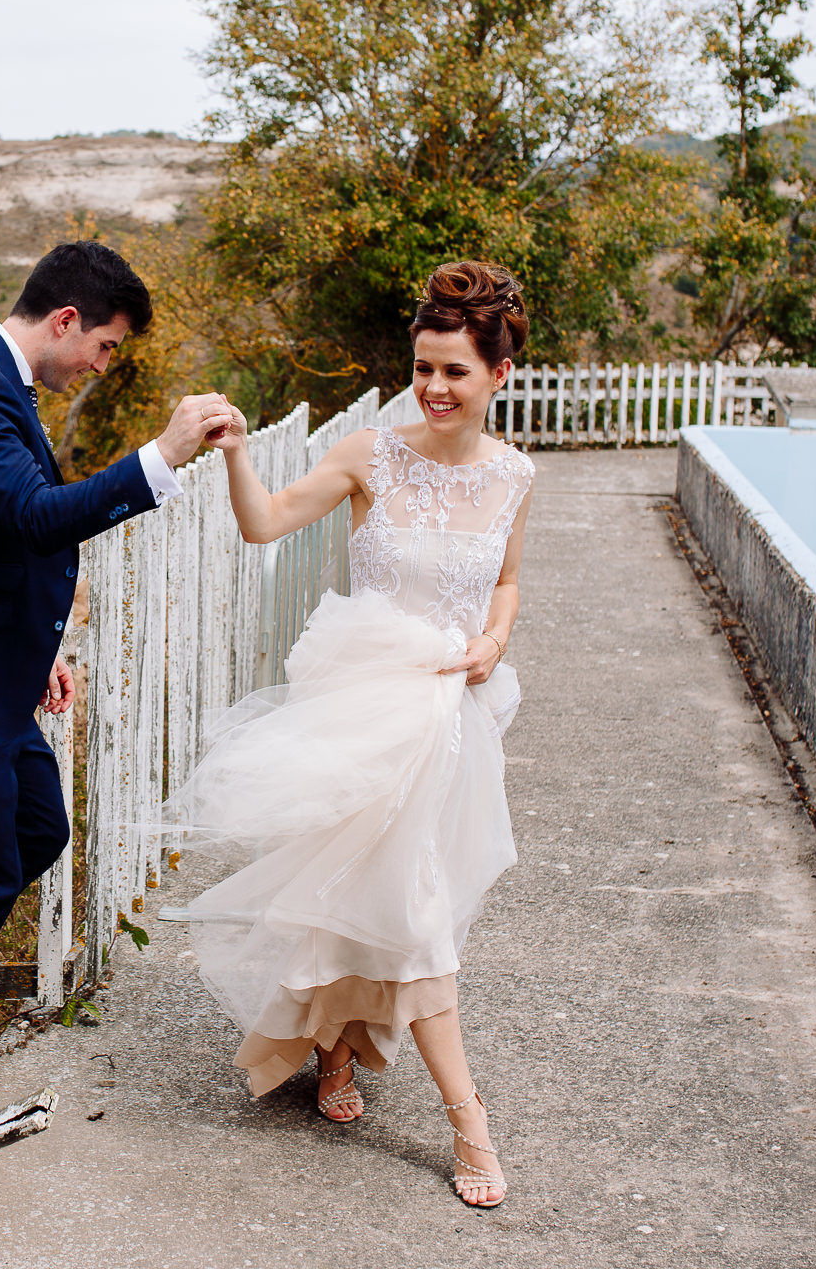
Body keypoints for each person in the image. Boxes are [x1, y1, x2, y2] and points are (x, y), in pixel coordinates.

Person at [170, 260, 535, 1208]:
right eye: (423, 367)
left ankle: (336, 1053)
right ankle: (470, 1119)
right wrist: (240, 453)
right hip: (357, 713)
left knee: (388, 897)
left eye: (455, 370)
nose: (435, 388)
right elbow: (264, 526)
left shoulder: (515, 478)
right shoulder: (373, 455)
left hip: (448, 724)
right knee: (402, 911)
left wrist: (495, 638)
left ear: (500, 372)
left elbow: (506, 581)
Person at [0, 240, 235, 1063]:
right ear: (67, 319)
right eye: (105, 346)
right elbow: (37, 515)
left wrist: (37, 648)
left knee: (36, 829)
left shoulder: (1, 379)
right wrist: (161, 455)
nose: (103, 364)